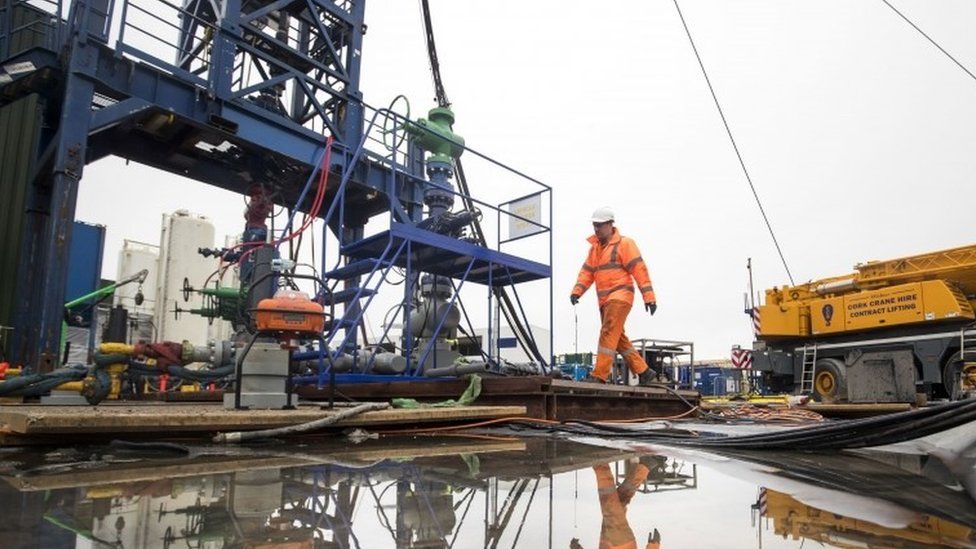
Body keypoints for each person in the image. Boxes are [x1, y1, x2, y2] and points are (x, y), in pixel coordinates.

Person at [570, 207, 657, 385]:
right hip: (604, 300)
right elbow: (587, 272)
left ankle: (599, 375)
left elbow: (639, 269)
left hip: (621, 295)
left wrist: (649, 297)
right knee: (617, 338)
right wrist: (577, 291)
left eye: (600, 225)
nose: (596, 229)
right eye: (594, 225)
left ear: (610, 224)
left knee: (608, 331)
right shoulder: (595, 250)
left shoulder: (625, 244)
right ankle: (644, 371)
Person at [569, 459, 662, 549]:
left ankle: (644, 467)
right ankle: (600, 463)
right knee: (609, 504)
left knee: (620, 501)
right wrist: (654, 546)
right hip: (622, 544)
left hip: (609, 542)